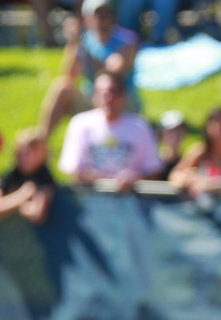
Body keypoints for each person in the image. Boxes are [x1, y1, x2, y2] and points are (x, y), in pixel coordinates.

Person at [38, 0, 141, 139]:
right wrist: (73, 43)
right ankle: (41, 142)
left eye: (106, 13)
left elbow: (111, 74)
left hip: (122, 103)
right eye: (97, 14)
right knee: (61, 87)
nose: (102, 18)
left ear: (113, 16)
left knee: (108, 93)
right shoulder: (85, 40)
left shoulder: (127, 40)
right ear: (87, 19)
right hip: (92, 99)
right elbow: (69, 76)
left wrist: (83, 45)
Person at [57, 70, 162, 191]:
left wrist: (135, 179)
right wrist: (108, 180)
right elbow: (73, 170)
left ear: (123, 96)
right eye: (102, 93)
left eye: (113, 92)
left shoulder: (140, 126)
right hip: (91, 197)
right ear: (94, 97)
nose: (108, 99)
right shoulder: (80, 124)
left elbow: (154, 171)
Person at [168, 106, 221, 198]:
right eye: (217, 124)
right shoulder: (200, 151)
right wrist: (187, 179)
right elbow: (175, 175)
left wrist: (213, 184)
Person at [0, 127, 56, 225]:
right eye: (22, 153)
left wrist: (6, 203)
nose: (25, 158)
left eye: (30, 153)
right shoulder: (12, 175)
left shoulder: (44, 177)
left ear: (42, 154)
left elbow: (36, 213)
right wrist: (21, 195)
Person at [155, 109, 187, 181]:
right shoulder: (153, 160)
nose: (175, 134)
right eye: (170, 130)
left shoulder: (188, 161)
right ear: (161, 133)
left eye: (179, 129)